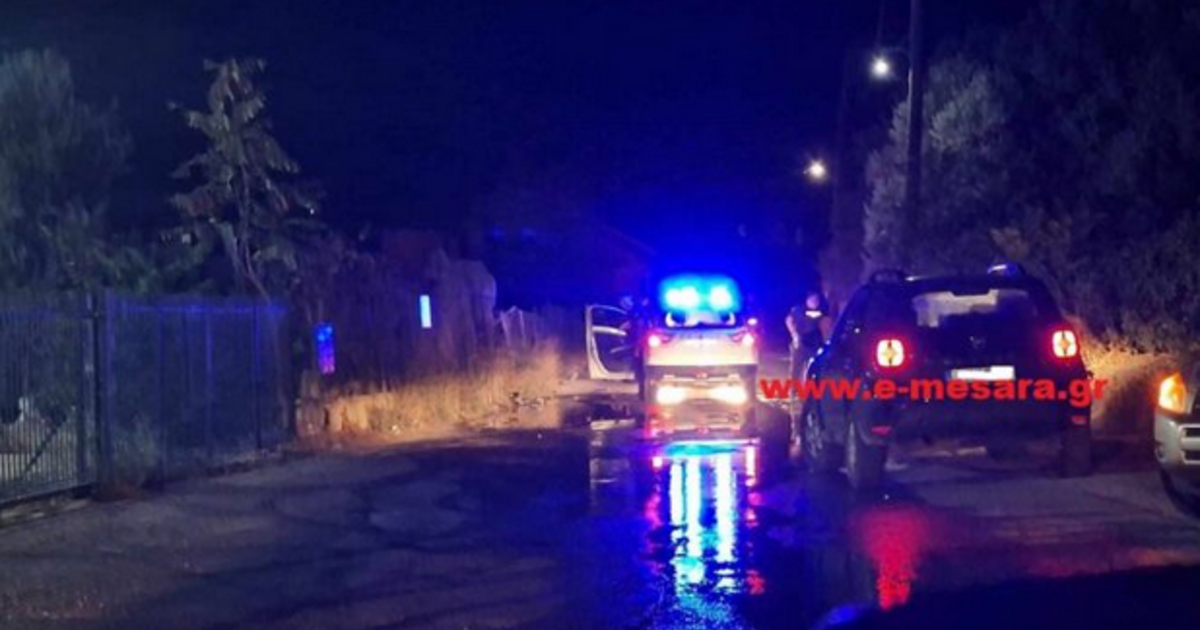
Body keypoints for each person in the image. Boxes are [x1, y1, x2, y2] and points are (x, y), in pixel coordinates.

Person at [786, 291, 832, 382]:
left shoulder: (822, 312)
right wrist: (794, 335)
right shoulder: (798, 310)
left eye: (816, 300)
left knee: (813, 368)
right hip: (800, 342)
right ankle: (795, 388)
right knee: (796, 368)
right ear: (807, 300)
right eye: (812, 299)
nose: (814, 302)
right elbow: (789, 320)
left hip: (815, 343)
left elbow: (826, 325)